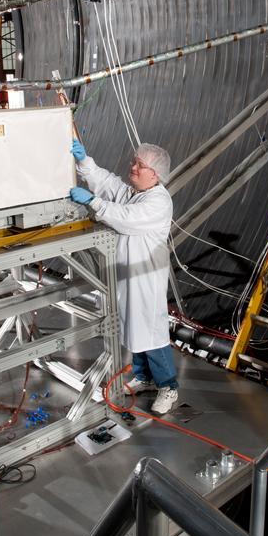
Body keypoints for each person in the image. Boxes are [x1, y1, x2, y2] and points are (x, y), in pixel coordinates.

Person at [69, 139, 179, 415]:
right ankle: (144, 377)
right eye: (134, 162)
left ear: (154, 174)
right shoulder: (134, 191)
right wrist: (84, 162)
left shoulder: (157, 202)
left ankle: (169, 386)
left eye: (139, 166)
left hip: (145, 278)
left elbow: (126, 217)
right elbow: (108, 184)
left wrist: (94, 203)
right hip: (128, 275)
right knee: (132, 327)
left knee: (151, 332)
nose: (132, 168)